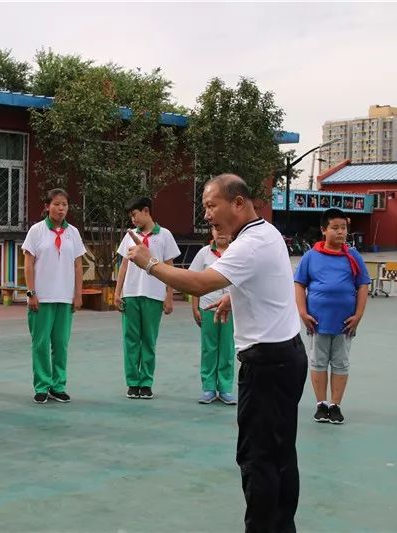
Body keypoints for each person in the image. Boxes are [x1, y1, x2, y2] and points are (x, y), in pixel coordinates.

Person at [126, 174, 306, 533]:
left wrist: (149, 263)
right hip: (287, 356)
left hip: (267, 365)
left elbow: (199, 282)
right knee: (281, 454)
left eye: (211, 205)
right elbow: (265, 282)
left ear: (238, 203)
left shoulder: (249, 244)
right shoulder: (266, 232)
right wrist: (233, 297)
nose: (206, 215)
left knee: (258, 459)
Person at [294, 208, 370, 424]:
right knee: (318, 362)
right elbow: (299, 284)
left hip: (345, 323)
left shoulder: (353, 256)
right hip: (317, 322)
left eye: (344, 228)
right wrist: (302, 312)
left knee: (340, 363)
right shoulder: (311, 256)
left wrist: (358, 315)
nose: (340, 232)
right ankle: (321, 404)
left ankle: (335, 405)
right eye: (335, 228)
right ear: (323, 230)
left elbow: (363, 285)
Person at [22, 188, 86, 404]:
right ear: (47, 206)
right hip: (42, 298)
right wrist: (31, 292)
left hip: (64, 298)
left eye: (64, 205)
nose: (60, 209)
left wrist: (77, 294)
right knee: (40, 344)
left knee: (61, 344)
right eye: (56, 204)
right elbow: (28, 263)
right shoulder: (36, 231)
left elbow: (78, 265)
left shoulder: (73, 233)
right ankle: (41, 385)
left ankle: (58, 386)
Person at [114, 196, 179, 400]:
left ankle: (146, 382)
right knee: (131, 339)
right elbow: (124, 265)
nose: (132, 220)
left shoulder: (165, 235)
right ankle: (133, 382)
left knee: (149, 340)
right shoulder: (130, 236)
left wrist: (169, 295)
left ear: (146, 211)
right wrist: (118, 293)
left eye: (134, 215)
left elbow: (170, 267)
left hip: (154, 295)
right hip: (132, 294)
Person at [189, 227, 236, 405]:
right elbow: (194, 281)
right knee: (209, 348)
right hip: (208, 307)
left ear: (232, 232)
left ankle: (225, 388)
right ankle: (208, 387)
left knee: (227, 348)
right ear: (212, 231)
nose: (222, 233)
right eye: (217, 229)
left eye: (225, 229)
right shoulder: (203, 254)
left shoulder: (236, 253)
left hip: (230, 309)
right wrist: (195, 308)